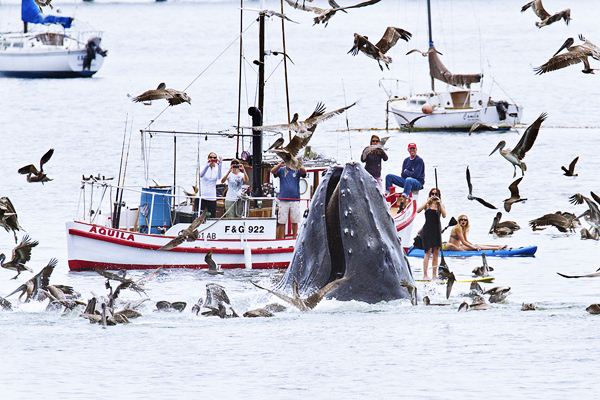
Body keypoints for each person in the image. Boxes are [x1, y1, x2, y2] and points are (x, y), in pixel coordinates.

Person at [271, 161, 307, 239]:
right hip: (283, 199)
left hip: (295, 199)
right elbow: (272, 171)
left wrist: (296, 164)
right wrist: (280, 164)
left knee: (295, 220)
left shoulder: (297, 170)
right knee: (282, 221)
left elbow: (304, 171)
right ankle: (281, 238)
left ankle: (294, 238)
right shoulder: (281, 169)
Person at [416, 188, 446, 280]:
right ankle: (425, 275)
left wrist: (440, 203)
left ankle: (434, 275)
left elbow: (444, 215)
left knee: (436, 252)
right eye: (432, 193)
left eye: (436, 194)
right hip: (427, 230)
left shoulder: (440, 205)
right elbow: (418, 210)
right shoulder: (427, 204)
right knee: (427, 252)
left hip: (437, 230)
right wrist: (427, 201)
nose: (434, 195)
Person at [198, 152, 222, 218]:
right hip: (203, 195)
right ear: (208, 158)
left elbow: (219, 177)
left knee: (212, 216)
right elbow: (201, 175)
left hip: (212, 196)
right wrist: (207, 166)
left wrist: (220, 165)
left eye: (214, 158)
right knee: (201, 216)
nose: (212, 159)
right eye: (211, 157)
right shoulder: (204, 167)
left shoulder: (216, 168)